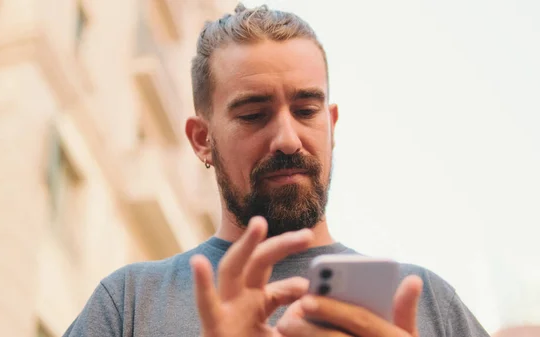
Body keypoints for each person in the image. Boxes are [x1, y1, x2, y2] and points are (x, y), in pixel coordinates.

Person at [63, 3, 489, 337]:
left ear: (331, 125)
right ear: (201, 139)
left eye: (306, 110)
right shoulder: (129, 304)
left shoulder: (425, 303)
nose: (287, 138)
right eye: (253, 114)